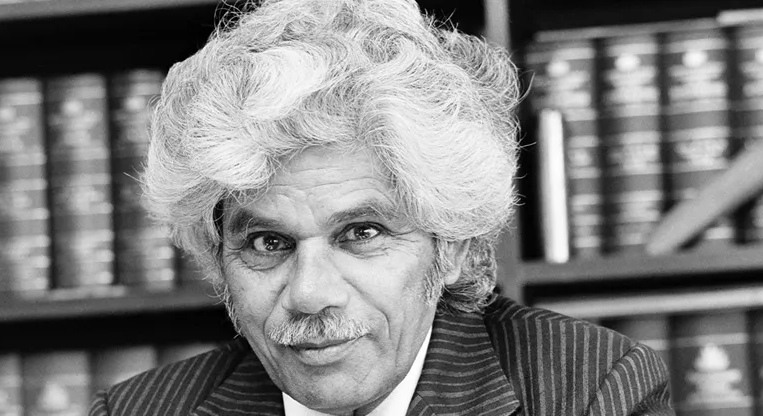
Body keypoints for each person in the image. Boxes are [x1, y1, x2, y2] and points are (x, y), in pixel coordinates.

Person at [88, 0, 673, 414]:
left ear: (451, 247)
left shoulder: (591, 390)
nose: (310, 294)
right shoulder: (135, 410)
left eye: (361, 232)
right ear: (219, 262)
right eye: (269, 243)